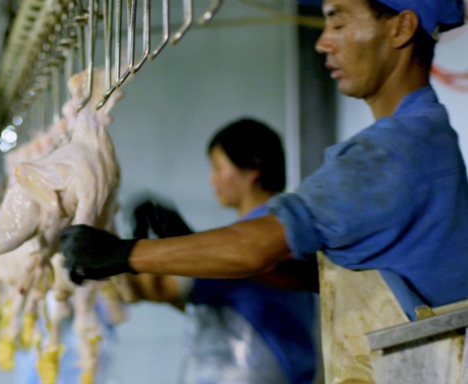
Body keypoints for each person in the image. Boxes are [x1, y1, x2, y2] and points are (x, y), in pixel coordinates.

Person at [60, 0, 468, 382]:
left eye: (339, 21)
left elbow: (252, 250)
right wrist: (183, 242)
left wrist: (123, 254)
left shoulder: (393, 151)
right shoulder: (425, 138)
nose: (323, 41)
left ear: (402, 27)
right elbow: (316, 275)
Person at [127, 118, 318, 384]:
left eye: (218, 167)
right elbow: (210, 303)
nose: (212, 179)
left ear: (252, 167)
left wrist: (122, 253)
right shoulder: (275, 229)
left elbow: (161, 288)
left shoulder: (253, 241)